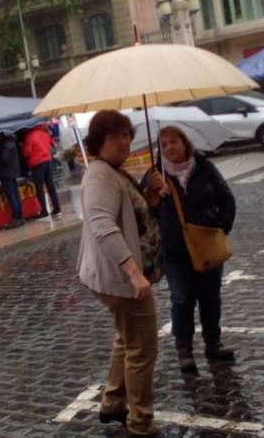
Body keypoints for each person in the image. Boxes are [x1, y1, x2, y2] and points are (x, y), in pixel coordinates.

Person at [78, 110, 164, 437]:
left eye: (127, 134)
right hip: (120, 280)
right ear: (99, 141)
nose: (124, 141)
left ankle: (113, 400)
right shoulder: (100, 175)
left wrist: (151, 195)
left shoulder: (115, 172)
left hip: (116, 278)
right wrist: (133, 273)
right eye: (115, 136)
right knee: (142, 349)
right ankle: (141, 421)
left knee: (125, 338)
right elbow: (102, 225)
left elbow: (133, 217)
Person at [142, 126, 236, 374]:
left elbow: (226, 198)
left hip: (206, 245)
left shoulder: (203, 167)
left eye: (173, 142)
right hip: (175, 250)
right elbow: (143, 212)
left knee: (210, 297)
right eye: (163, 145)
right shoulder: (154, 174)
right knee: (181, 299)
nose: (169, 147)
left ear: (185, 143)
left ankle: (213, 343)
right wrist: (153, 192)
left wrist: (220, 228)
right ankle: (184, 350)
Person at [22, 124, 62, 220]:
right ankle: (57, 207)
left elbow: (26, 152)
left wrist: (22, 148)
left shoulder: (30, 136)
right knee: (50, 185)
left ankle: (44, 211)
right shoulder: (45, 133)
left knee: (39, 187)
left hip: (37, 163)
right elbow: (51, 144)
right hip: (47, 161)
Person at [0, 134, 24, 229]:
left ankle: (16, 218)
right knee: (15, 194)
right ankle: (20, 217)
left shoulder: (6, 145)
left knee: (12, 195)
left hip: (6, 173)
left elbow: (3, 159)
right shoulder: (11, 143)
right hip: (12, 172)